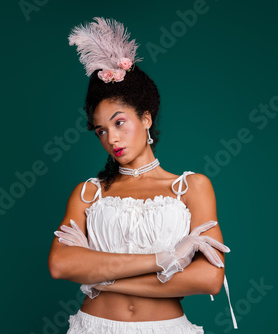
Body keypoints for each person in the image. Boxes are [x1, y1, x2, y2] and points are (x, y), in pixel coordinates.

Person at [47, 17, 238, 333]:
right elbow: (60, 265)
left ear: (146, 118)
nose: (112, 138)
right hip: (93, 327)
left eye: (119, 122)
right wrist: (168, 257)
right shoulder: (88, 193)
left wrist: (102, 278)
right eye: (101, 130)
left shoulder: (191, 187)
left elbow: (209, 278)